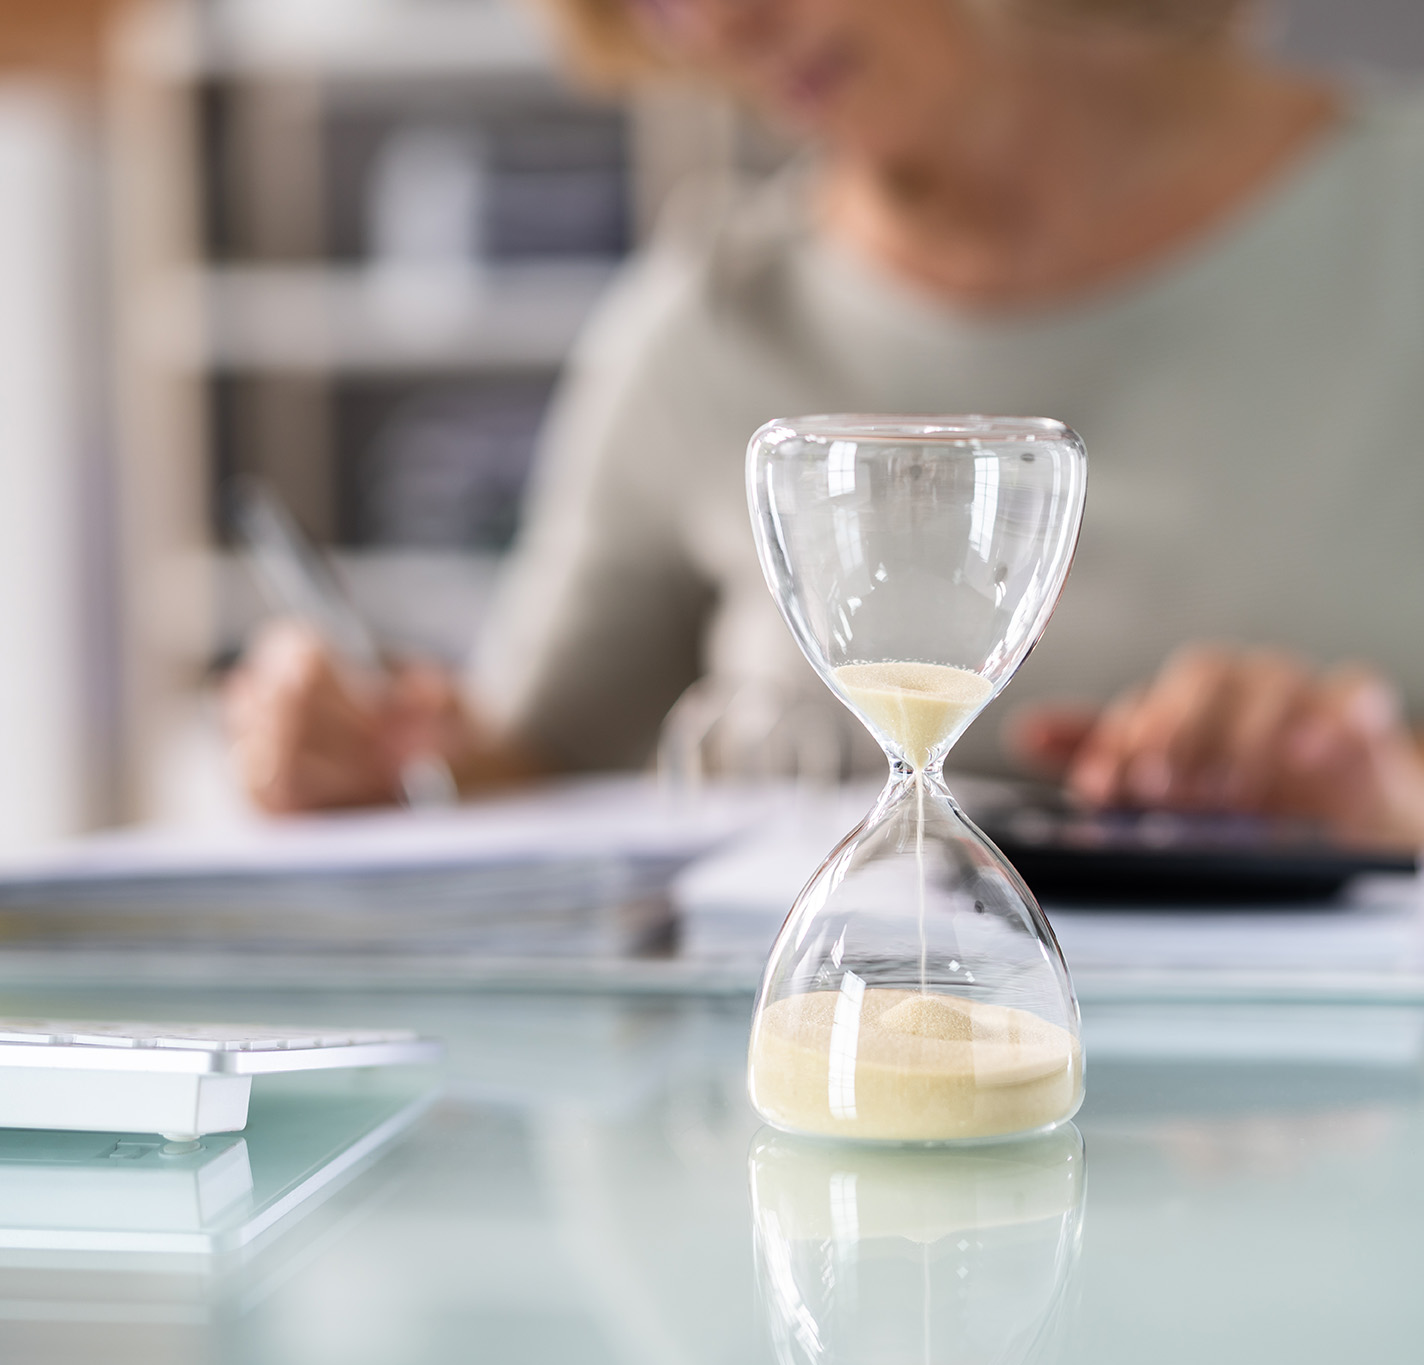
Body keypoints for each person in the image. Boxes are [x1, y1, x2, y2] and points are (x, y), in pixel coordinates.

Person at [224, 0, 1424, 846]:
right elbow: (526, 781)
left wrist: (1388, 800)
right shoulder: (704, 323)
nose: (716, 21)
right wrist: (371, 759)